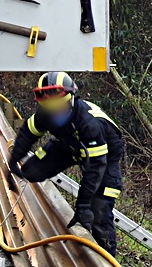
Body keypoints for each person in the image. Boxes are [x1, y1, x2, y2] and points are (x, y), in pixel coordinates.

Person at [7, 72, 124, 256]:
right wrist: (14, 160)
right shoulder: (45, 114)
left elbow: (95, 168)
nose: (56, 114)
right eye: (52, 110)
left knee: (99, 209)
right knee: (31, 171)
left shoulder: (90, 123)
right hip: (70, 145)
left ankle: (107, 255)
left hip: (104, 157)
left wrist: (83, 207)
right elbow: (28, 133)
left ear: (70, 98)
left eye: (59, 109)